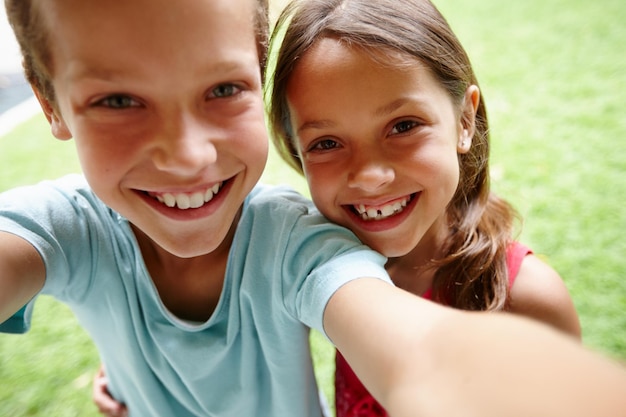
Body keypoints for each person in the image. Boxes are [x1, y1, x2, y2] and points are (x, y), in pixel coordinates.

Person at [3, 1, 626, 417]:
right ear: (49, 103)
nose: (188, 158)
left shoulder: (294, 240)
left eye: (223, 89)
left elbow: (420, 347)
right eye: (117, 100)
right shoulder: (63, 228)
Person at [266, 0, 584, 415]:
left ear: (464, 121)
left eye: (403, 126)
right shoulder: (327, 270)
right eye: (326, 143)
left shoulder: (525, 298)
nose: (369, 175)